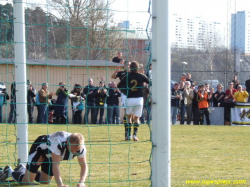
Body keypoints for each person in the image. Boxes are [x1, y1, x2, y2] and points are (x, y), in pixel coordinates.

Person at [10, 131, 88, 187]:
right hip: (40, 150)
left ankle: (23, 169)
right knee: (27, 182)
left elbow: (84, 166)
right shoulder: (58, 142)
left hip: (51, 155)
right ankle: (9, 171)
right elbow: (56, 165)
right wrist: (60, 185)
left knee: (45, 181)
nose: (74, 151)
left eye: (77, 149)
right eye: (72, 148)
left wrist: (82, 182)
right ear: (67, 142)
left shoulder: (81, 148)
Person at [117, 61, 149, 141]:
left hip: (130, 99)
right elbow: (149, 82)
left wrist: (125, 91)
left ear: (130, 68)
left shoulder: (127, 76)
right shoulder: (141, 76)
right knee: (136, 118)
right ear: (138, 68)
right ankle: (135, 135)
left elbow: (119, 85)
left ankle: (128, 135)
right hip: (139, 99)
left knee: (128, 117)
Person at [111, 61, 130, 127]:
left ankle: (131, 122)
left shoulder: (132, 73)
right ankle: (126, 123)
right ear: (124, 66)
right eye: (127, 64)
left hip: (132, 93)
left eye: (129, 65)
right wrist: (116, 71)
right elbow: (112, 77)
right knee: (125, 109)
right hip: (124, 93)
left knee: (131, 109)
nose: (128, 66)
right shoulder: (121, 73)